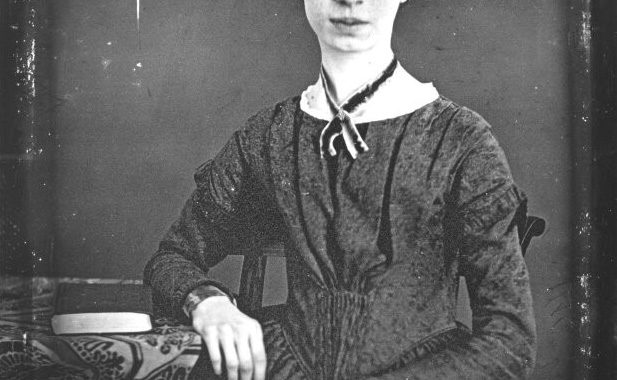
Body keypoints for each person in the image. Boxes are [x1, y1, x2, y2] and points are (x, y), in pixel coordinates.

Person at [144, 0, 537, 379]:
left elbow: (510, 340)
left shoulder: (460, 140)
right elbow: (172, 259)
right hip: (284, 364)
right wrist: (208, 303)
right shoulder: (268, 136)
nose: (351, 0)